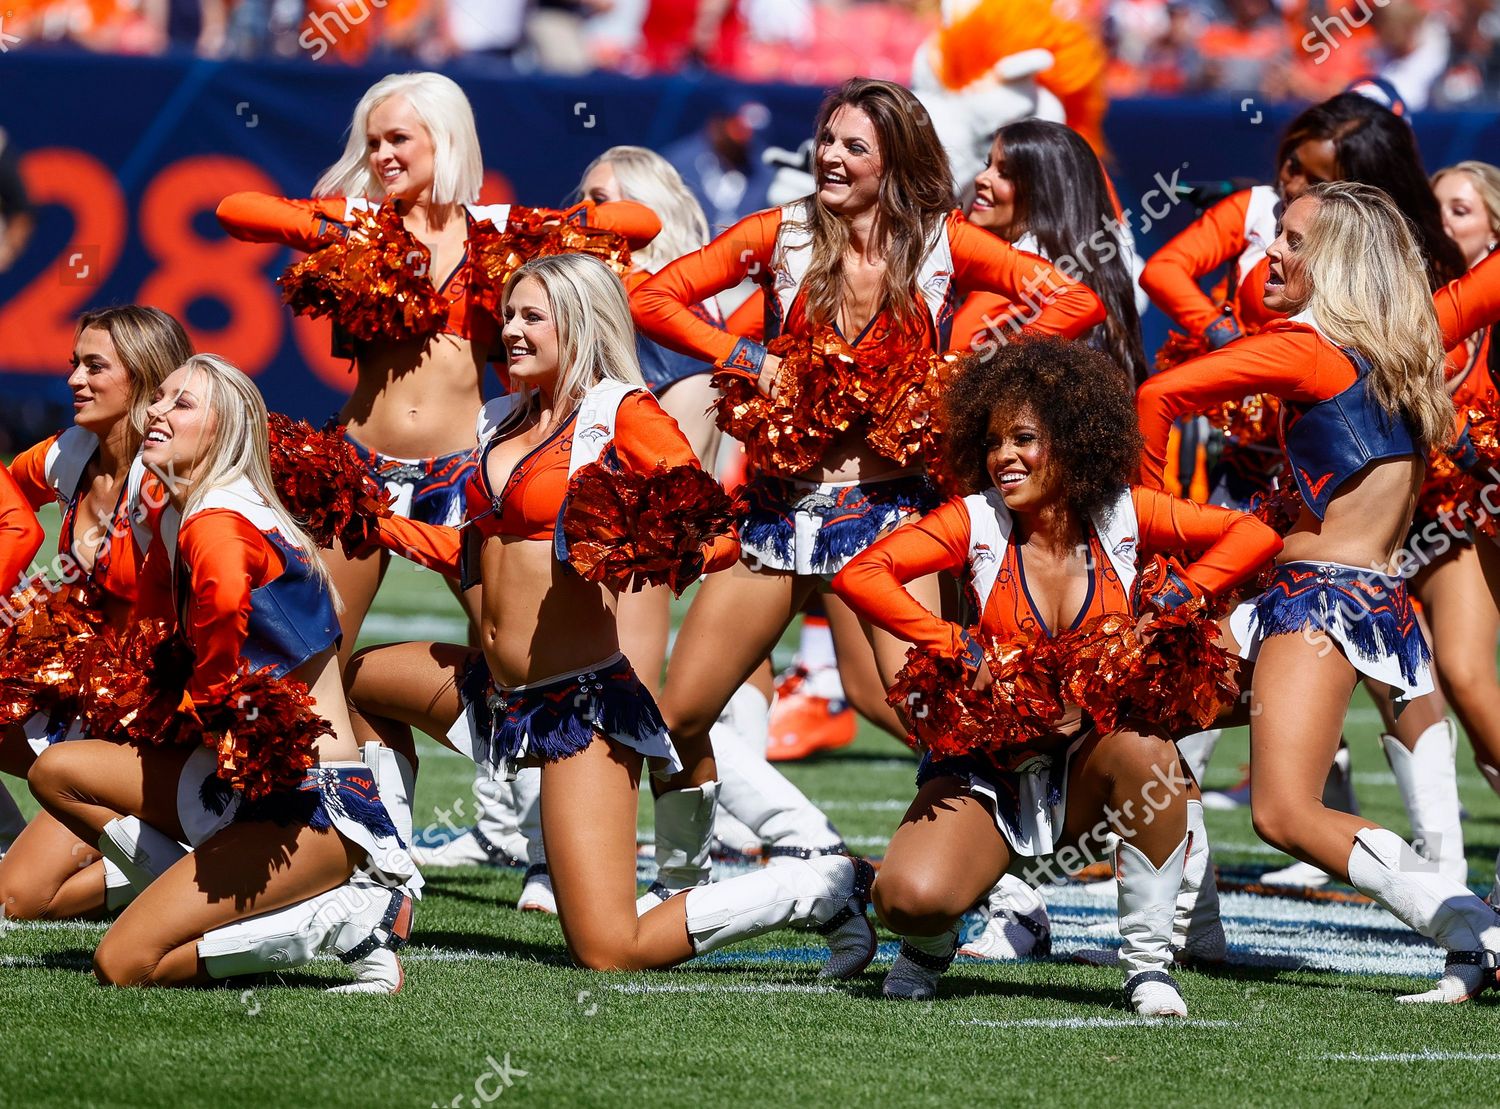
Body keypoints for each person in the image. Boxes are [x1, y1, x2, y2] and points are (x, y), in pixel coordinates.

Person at [630, 77, 1104, 910]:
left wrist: (958, 372)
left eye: (855, 146)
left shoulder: (939, 244)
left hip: (885, 519)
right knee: (679, 716)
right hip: (779, 518)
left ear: (895, 162)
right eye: (828, 140)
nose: (831, 158)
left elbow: (1073, 297)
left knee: (926, 710)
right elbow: (653, 295)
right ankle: (685, 888)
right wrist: (745, 358)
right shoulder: (778, 234)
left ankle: (998, 885)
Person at [348, 253, 878, 974]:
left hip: (579, 706)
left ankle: (817, 885)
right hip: (493, 692)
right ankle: (384, 880)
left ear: (578, 322)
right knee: (354, 682)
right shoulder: (499, 421)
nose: (510, 330)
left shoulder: (620, 411)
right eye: (508, 314)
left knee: (609, 949)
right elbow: (471, 550)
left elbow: (709, 524)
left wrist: (638, 551)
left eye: (532, 316)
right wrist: (366, 517)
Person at [832, 336, 1281, 1014]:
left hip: (1091, 768)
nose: (1003, 457)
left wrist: (1183, 594)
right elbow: (860, 573)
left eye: (1023, 438)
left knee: (1152, 751)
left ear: (1072, 441)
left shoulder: (1123, 514)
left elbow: (1254, 537)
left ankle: (1148, 964)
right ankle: (931, 939)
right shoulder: (978, 520)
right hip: (997, 770)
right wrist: (954, 640)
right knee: (909, 899)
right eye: (992, 442)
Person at [1137, 181, 1500, 1004]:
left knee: (1286, 813)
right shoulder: (1399, 346)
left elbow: (1158, 396)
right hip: (1353, 593)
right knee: (1156, 712)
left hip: (1319, 601)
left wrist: (1148, 542)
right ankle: (1189, 932)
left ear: (1336, 260)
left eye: (1296, 242)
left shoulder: (1306, 349)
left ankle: (1474, 925)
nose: (1274, 250)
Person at [216, 71, 660, 664]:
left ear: (444, 138)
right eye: (373, 144)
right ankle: (367, 757)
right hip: (356, 468)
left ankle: (496, 758)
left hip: (461, 472)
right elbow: (235, 209)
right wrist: (339, 232)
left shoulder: (498, 230)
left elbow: (640, 223)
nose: (382, 156)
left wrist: (545, 227)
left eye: (398, 139)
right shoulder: (361, 224)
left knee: (512, 651)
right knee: (315, 655)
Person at [28, 354, 420, 990]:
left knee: (125, 964)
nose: (156, 411)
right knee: (59, 772)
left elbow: (228, 603)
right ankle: (230, 891)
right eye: (158, 399)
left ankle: (334, 918)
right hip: (237, 785)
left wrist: (207, 691)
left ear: (224, 428)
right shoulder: (193, 504)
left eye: (182, 404)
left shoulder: (217, 521)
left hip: (307, 805)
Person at [0, 307, 192, 919]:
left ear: (142, 377)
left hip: (153, 717)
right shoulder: (70, 453)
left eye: (94, 366)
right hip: (84, 696)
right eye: (73, 364)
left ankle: (193, 867)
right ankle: (14, 838)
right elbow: (6, 484)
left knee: (19, 898)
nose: (74, 380)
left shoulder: (174, 479)